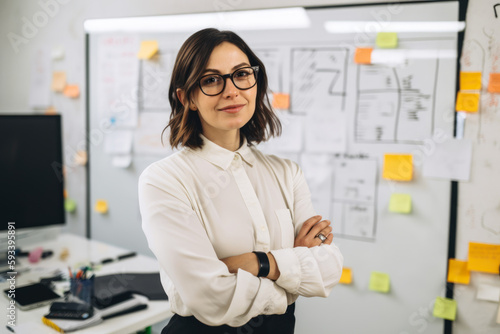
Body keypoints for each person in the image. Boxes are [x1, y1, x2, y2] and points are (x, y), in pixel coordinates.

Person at [139, 28, 344, 334]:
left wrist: (256, 262)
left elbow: (328, 269)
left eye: (241, 74)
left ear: (255, 83)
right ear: (187, 98)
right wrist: (293, 275)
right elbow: (210, 297)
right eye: (211, 80)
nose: (232, 90)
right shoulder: (165, 180)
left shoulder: (287, 173)